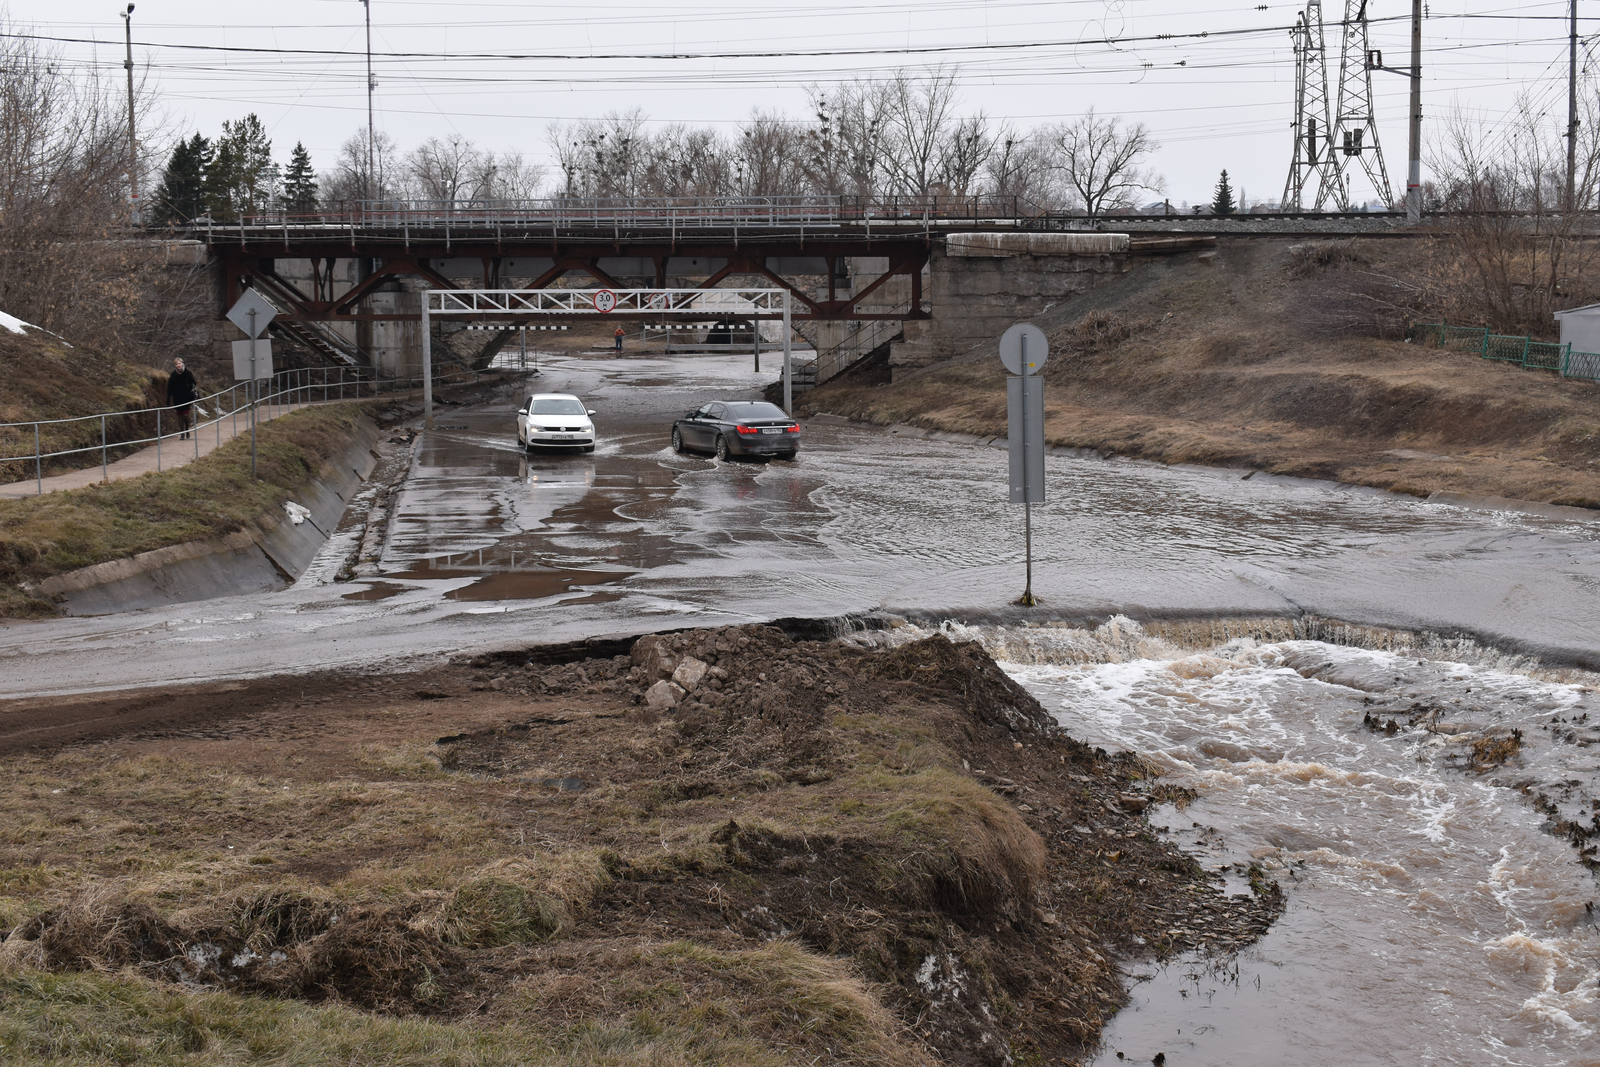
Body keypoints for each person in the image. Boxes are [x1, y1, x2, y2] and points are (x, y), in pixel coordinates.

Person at [166, 358, 198, 440]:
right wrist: (168, 397)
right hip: (177, 396)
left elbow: (194, 382)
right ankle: (182, 432)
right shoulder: (173, 375)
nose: (178, 365)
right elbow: (170, 386)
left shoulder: (187, 373)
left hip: (186, 396)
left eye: (179, 363)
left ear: (182, 364)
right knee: (179, 415)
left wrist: (190, 386)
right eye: (176, 364)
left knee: (185, 414)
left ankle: (187, 429)